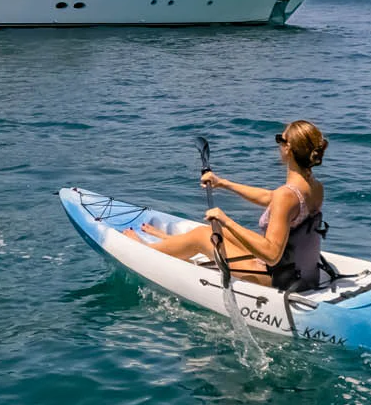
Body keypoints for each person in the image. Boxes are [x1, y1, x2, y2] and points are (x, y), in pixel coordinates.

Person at [124, 120, 331, 291]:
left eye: (280, 139)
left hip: (277, 277)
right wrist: (223, 183)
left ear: (288, 149)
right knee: (217, 231)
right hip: (301, 271)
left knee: (203, 235)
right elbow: (270, 197)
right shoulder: (314, 187)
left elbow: (271, 254)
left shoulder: (285, 196)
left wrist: (226, 219)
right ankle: (170, 241)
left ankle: (146, 249)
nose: (278, 144)